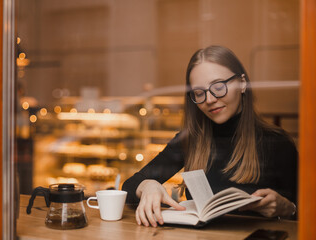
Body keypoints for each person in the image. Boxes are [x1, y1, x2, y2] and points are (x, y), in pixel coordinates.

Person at [122, 45, 298, 227]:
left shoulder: (277, 143)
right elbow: (128, 187)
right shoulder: (190, 140)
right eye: (199, 93)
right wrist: (147, 185)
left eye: (219, 87)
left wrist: (288, 208)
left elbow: (305, 213)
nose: (210, 99)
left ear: (242, 83)